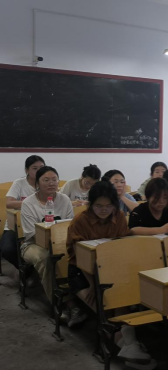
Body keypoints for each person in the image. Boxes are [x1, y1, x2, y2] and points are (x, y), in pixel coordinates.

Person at [66, 181, 156, 367]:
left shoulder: (119, 216)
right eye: (98, 206)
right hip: (82, 272)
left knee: (120, 300)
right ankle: (127, 345)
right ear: (90, 204)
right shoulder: (80, 221)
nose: (104, 210)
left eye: (108, 206)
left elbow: (122, 249)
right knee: (104, 306)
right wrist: (93, 284)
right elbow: (80, 257)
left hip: (111, 269)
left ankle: (129, 346)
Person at [20, 167, 76, 307]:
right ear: (37, 183)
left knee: (78, 254)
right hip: (32, 244)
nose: (51, 183)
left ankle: (78, 298)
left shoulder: (64, 199)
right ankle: (59, 304)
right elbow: (31, 233)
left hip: (61, 242)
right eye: (46, 180)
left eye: (54, 179)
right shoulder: (28, 203)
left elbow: (70, 225)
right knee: (45, 258)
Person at [1, 155, 45, 270]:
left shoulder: (46, 183)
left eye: (41, 168)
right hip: (15, 225)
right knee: (7, 250)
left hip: (38, 224)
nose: (39, 171)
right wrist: (31, 203)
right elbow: (9, 203)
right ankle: (26, 271)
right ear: (27, 170)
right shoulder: (19, 183)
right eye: (34, 168)